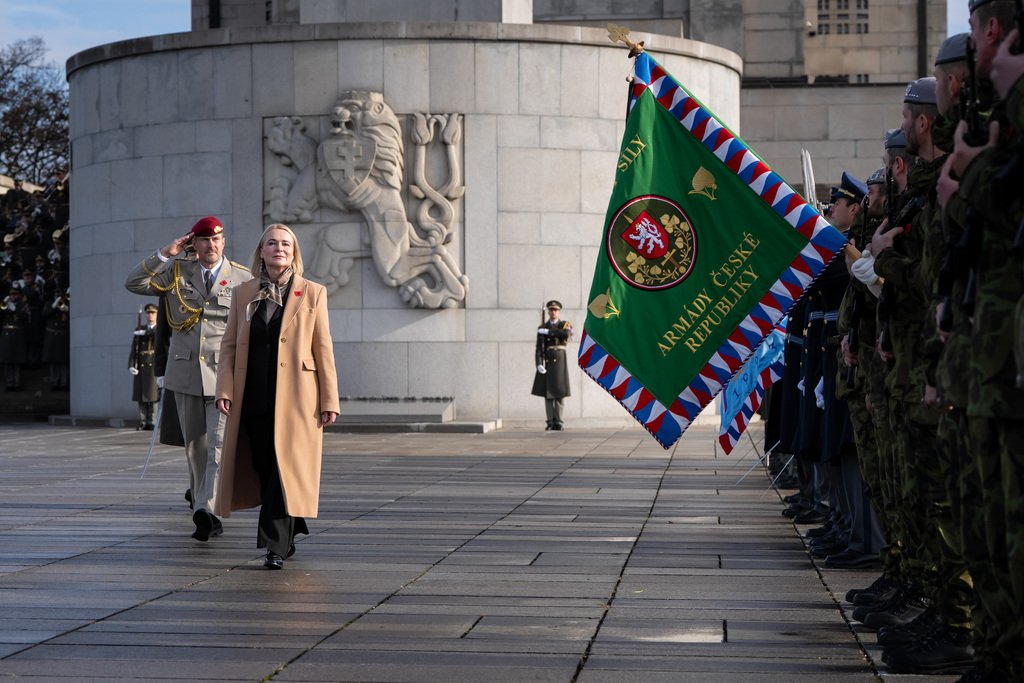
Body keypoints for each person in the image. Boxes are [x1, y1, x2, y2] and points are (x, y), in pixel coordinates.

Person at [214, 223, 339, 570]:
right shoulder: (243, 293)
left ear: (294, 252)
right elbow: (227, 348)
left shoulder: (313, 293)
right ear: (262, 251)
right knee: (265, 465)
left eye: (285, 243)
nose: (279, 248)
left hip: (298, 397)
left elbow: (323, 348)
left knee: (285, 467)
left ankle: (273, 545)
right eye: (272, 243)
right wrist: (224, 388)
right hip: (252, 393)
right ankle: (291, 525)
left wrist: (330, 399)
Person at [125, 216, 250, 541]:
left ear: (224, 242)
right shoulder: (176, 272)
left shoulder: (242, 277)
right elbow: (134, 283)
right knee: (195, 446)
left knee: (218, 445)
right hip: (185, 372)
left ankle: (205, 509)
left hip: (224, 373)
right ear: (193, 243)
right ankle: (205, 506)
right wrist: (166, 253)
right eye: (205, 240)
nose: (212, 245)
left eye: (217, 239)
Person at [531, 300, 573, 430]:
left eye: (556, 310)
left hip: (560, 360)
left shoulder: (564, 324)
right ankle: (550, 421)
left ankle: (559, 421)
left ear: (559, 312)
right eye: (551, 310)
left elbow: (566, 334)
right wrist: (538, 363)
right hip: (547, 360)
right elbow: (539, 347)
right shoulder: (542, 327)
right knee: (548, 393)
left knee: (559, 392)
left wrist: (549, 333)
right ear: (548, 312)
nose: (553, 312)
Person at [128, 303, 160, 430]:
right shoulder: (140, 328)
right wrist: (131, 365)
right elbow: (134, 349)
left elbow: (155, 335)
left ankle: (152, 421)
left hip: (153, 365)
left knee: (152, 396)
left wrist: (146, 332)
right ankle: (142, 421)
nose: (150, 315)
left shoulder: (158, 329)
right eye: (148, 313)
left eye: (153, 313)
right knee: (141, 395)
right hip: (141, 365)